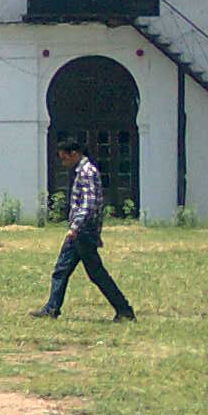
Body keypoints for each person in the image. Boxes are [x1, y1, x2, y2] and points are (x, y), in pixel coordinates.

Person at [32, 138, 135, 322]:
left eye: (65, 158)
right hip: (81, 231)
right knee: (62, 270)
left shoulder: (87, 172)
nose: (64, 163)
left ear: (75, 153)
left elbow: (89, 203)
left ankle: (124, 310)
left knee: (95, 273)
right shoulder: (82, 171)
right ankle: (52, 308)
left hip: (82, 232)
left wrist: (75, 227)